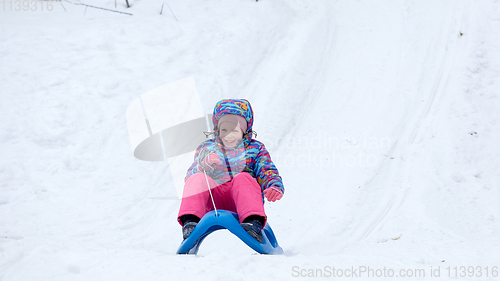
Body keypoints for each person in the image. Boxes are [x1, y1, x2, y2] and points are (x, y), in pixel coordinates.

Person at [177, 99, 284, 243]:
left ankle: (253, 222)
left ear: (244, 131)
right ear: (217, 130)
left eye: (234, 130)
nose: (229, 135)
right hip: (211, 202)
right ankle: (191, 221)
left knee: (243, 177)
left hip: (243, 202)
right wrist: (204, 164)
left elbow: (266, 170)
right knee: (197, 178)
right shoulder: (207, 148)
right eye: (224, 130)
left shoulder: (255, 149)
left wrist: (274, 185)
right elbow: (190, 176)